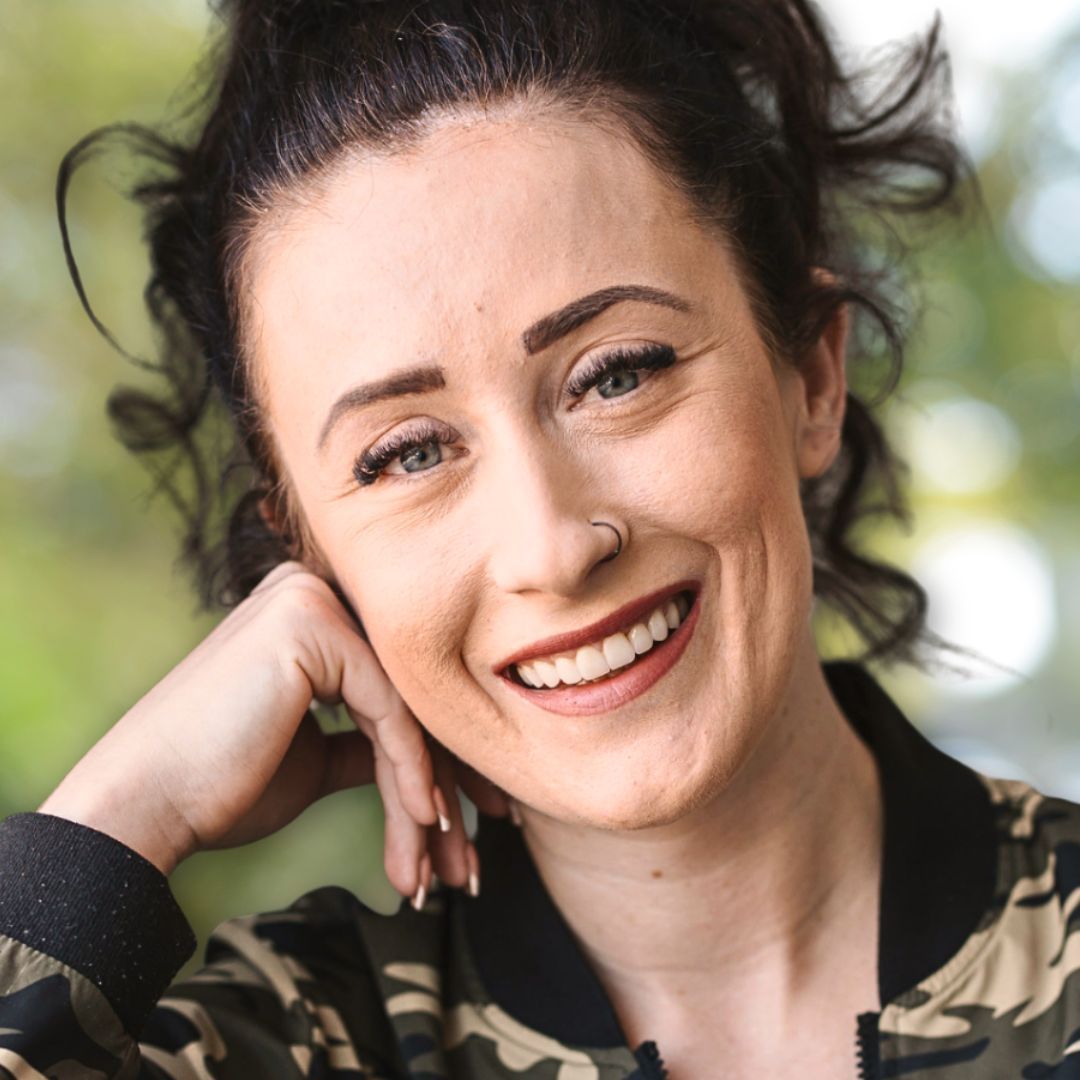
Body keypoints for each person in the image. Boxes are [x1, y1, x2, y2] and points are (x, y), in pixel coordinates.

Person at [1, 0, 1077, 1076]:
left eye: (618, 375)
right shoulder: (298, 1046)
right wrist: (124, 813)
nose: (552, 547)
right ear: (311, 556)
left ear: (811, 374)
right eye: (406, 454)